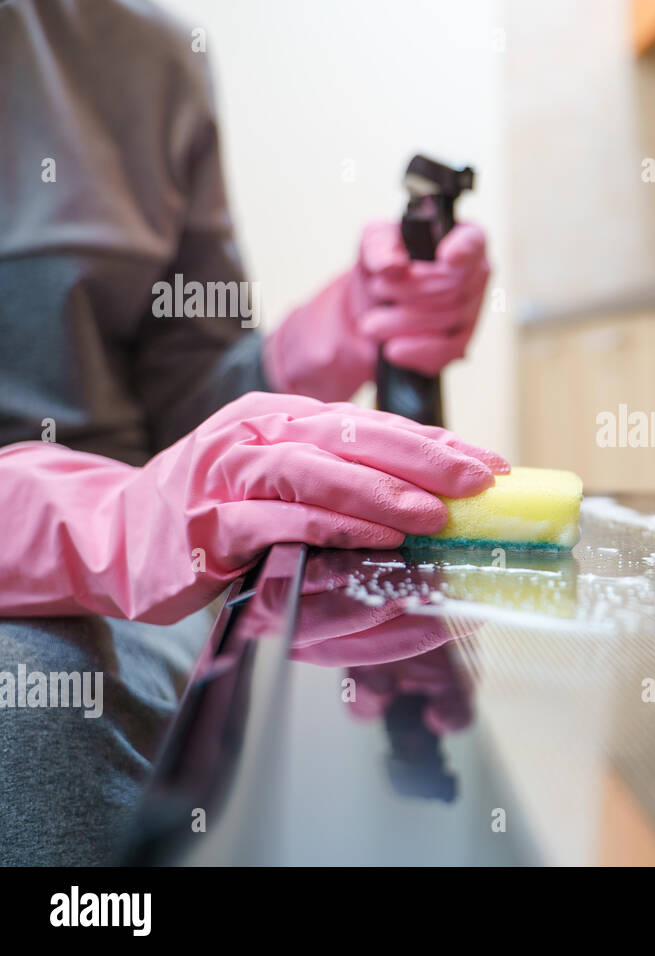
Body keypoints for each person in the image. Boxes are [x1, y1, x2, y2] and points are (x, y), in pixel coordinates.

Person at [0, 0, 505, 863]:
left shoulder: (150, 54)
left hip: (140, 601)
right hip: (80, 588)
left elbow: (188, 392)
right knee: (36, 706)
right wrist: (87, 524)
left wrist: (349, 323)